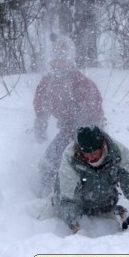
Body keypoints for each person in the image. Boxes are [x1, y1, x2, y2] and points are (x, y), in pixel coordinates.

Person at [33, 35, 105, 196]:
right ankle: (46, 192)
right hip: (67, 129)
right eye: (56, 59)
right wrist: (40, 121)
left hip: (89, 132)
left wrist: (79, 136)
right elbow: (40, 102)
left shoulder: (81, 83)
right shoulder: (47, 82)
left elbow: (92, 110)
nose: (59, 64)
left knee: (79, 163)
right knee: (49, 163)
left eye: (63, 59)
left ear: (70, 61)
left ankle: (87, 192)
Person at [53, 126, 129, 233]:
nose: (90, 158)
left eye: (94, 153)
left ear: (102, 145)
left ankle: (116, 210)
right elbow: (68, 197)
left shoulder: (120, 156)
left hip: (102, 206)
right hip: (66, 209)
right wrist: (74, 225)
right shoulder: (70, 158)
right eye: (86, 154)